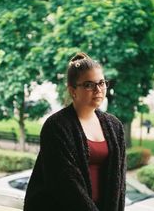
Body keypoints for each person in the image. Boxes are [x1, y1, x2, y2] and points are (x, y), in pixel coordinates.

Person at [24, 52, 126, 211]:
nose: (98, 89)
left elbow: (119, 183)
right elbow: (65, 184)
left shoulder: (114, 126)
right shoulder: (56, 126)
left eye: (101, 82)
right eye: (89, 85)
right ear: (72, 91)